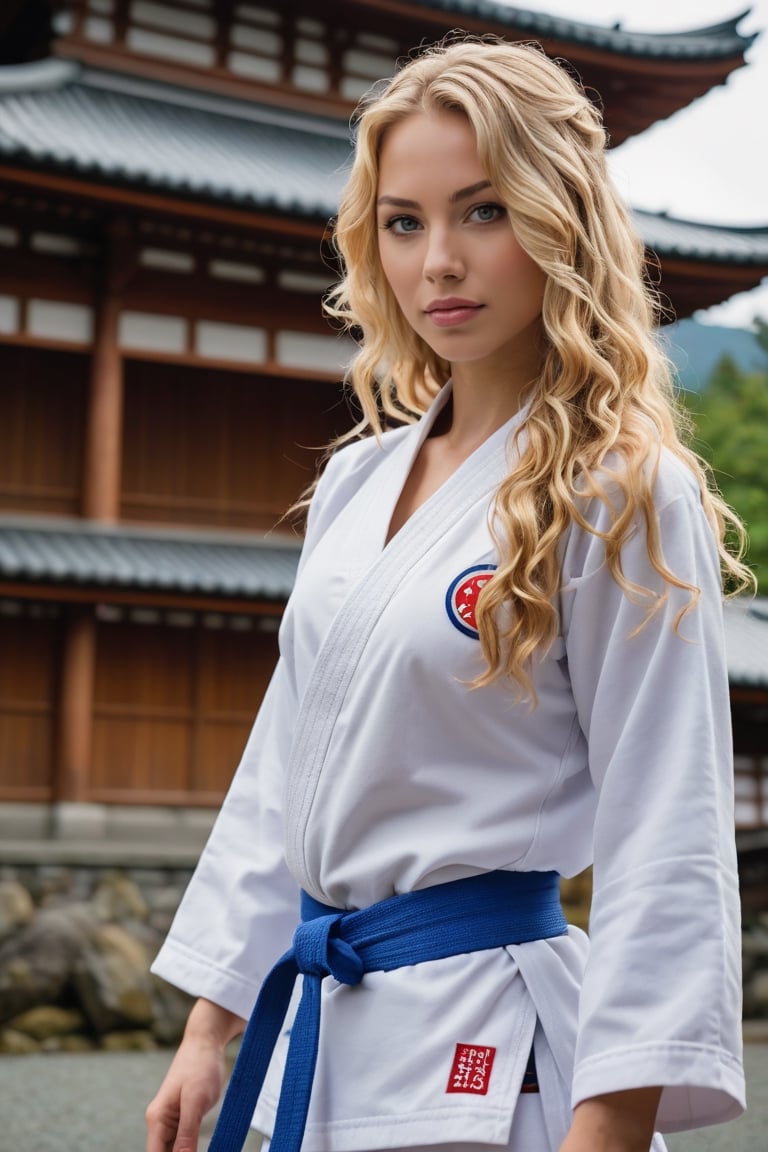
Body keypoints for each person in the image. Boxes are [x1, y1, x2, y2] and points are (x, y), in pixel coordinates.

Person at [145, 36, 753, 1152]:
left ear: (557, 221)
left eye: (483, 211)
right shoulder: (356, 480)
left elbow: (667, 821)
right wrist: (210, 1024)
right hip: (323, 1030)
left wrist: (608, 1129)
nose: (439, 262)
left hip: (495, 1048)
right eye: (404, 220)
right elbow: (284, 770)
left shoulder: (618, 487)